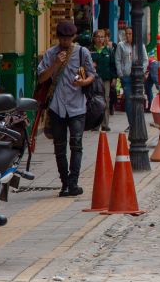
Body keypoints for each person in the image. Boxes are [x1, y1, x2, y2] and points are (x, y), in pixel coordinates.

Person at [37, 20, 96, 197]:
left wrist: (83, 82)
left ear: (73, 37)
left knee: (76, 145)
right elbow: (41, 78)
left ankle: (73, 183)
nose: (65, 42)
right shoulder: (50, 54)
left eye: (68, 39)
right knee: (59, 147)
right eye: (62, 39)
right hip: (57, 107)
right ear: (58, 38)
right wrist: (55, 64)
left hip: (77, 106)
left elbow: (92, 74)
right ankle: (64, 183)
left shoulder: (81, 52)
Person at [115, 26, 148, 115]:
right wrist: (120, 74)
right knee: (129, 101)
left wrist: (141, 72)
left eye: (130, 34)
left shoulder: (140, 45)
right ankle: (132, 123)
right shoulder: (121, 45)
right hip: (126, 77)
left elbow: (145, 60)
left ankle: (138, 122)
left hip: (137, 78)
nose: (128, 36)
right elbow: (117, 60)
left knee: (138, 101)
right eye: (126, 34)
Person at [90, 29, 115, 131]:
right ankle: (95, 124)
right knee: (94, 101)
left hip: (105, 79)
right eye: (98, 37)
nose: (100, 39)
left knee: (105, 100)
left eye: (102, 37)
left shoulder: (108, 50)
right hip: (93, 80)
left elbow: (113, 65)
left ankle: (105, 124)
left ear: (105, 38)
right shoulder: (90, 50)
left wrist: (114, 78)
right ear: (94, 38)